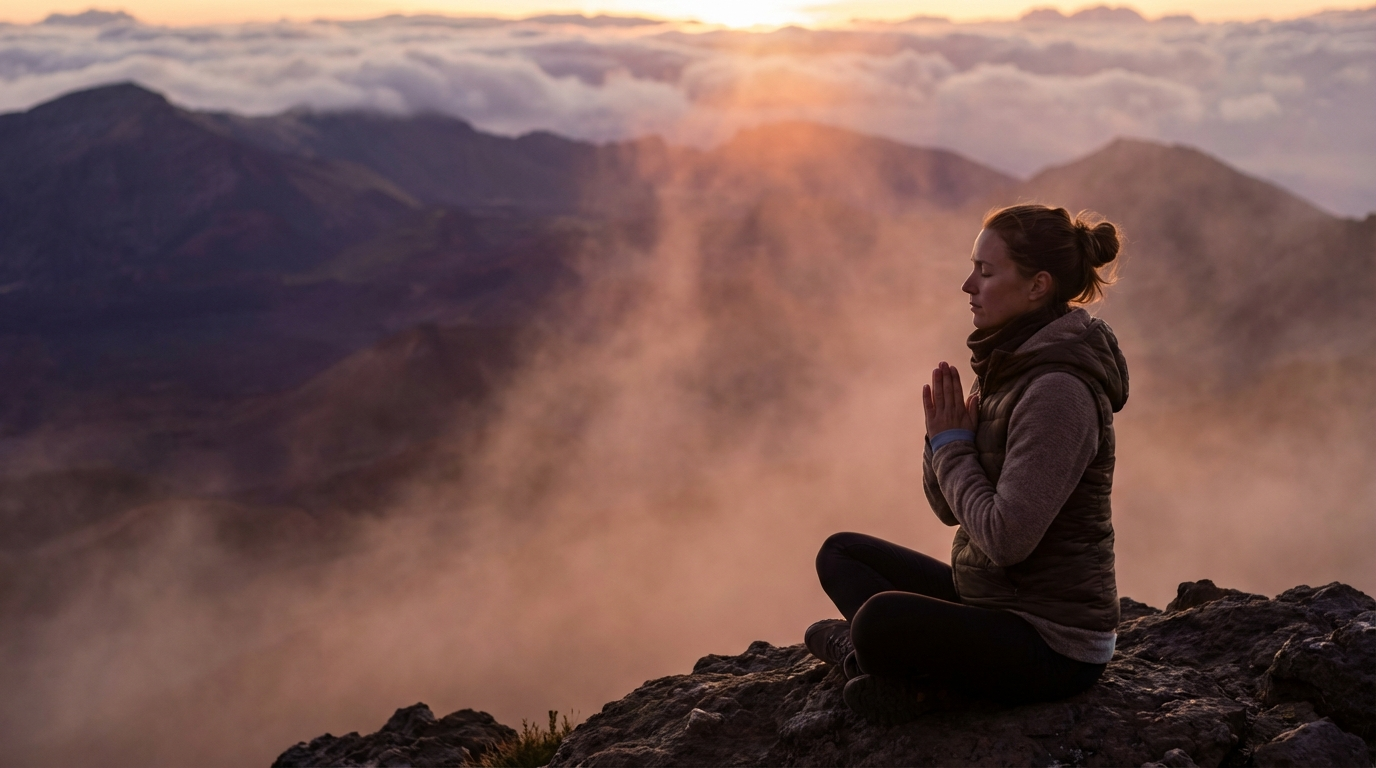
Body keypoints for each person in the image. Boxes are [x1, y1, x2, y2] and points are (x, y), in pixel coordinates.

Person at [805, 203, 1129, 724]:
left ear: (1036, 286)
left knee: (878, 621)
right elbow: (948, 509)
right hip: (990, 599)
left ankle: (870, 661)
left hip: (1051, 643)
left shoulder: (1058, 393)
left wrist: (954, 447)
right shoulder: (1008, 367)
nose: (967, 285)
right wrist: (942, 439)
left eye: (985, 271)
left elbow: (1004, 540)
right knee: (840, 553)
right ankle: (894, 671)